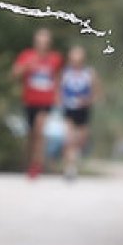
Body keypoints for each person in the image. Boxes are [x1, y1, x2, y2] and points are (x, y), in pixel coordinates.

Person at [11, 28, 62, 178]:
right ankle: (28, 162)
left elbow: (58, 79)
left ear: (49, 43)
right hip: (29, 101)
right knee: (31, 135)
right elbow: (14, 73)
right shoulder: (27, 56)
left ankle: (36, 166)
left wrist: (58, 97)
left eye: (45, 41)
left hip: (46, 101)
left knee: (40, 132)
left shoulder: (55, 58)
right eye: (40, 41)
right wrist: (26, 66)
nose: (42, 44)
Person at [58, 45, 98, 181]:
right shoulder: (65, 72)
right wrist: (60, 102)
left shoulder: (89, 73)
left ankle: (75, 159)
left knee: (81, 139)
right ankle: (69, 167)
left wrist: (87, 100)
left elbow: (96, 92)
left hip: (83, 110)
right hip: (69, 108)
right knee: (69, 139)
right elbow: (59, 90)